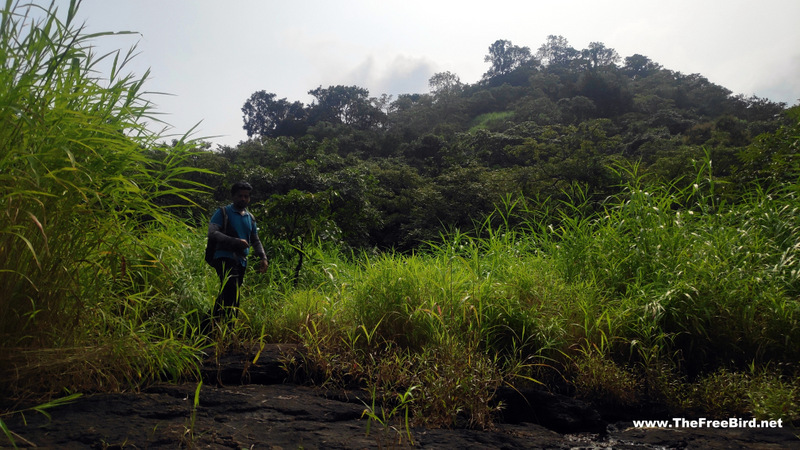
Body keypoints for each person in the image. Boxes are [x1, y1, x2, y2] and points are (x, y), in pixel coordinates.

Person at [207, 181, 268, 327]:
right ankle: (229, 330)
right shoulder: (223, 212)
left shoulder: (250, 217)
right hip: (224, 257)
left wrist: (263, 257)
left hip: (241, 261)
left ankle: (206, 327)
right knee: (232, 291)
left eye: (246, 196)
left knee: (228, 294)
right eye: (240, 196)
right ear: (233, 196)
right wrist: (235, 241)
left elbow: (255, 239)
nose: (243, 199)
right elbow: (212, 232)